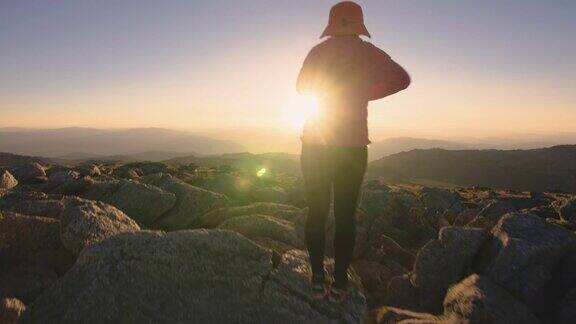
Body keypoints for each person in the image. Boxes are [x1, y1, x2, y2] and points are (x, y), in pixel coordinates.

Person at [296, 1, 410, 303]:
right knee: (345, 215)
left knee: (317, 210)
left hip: (316, 143)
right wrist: (365, 92)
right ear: (359, 24)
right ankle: (341, 283)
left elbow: (301, 87)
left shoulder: (317, 53)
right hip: (353, 147)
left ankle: (317, 278)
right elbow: (402, 79)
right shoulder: (368, 52)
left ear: (332, 25)